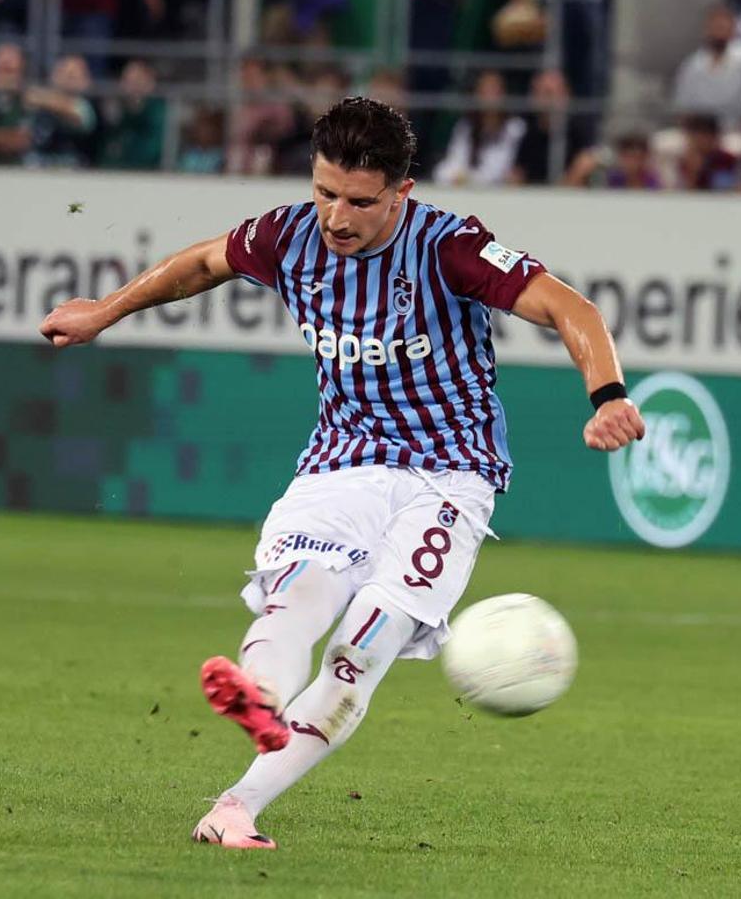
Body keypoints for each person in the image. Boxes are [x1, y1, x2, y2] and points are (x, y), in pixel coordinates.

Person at [39, 97, 645, 850]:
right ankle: (260, 694)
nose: (337, 216)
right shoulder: (288, 235)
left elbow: (571, 308)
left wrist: (608, 395)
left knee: (360, 650)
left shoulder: (449, 247)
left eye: (360, 201)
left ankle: (235, 808)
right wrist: (104, 311)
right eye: (326, 192)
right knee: (300, 592)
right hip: (341, 461)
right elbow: (200, 264)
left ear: (402, 192)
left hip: (448, 477)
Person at [433, 70, 526, 186]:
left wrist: (468, 178)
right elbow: (452, 163)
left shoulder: (515, 127)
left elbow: (499, 171)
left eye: (494, 90)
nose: (490, 97)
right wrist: (455, 175)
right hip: (469, 187)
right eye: (484, 91)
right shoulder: (466, 126)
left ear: (504, 94)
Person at [672, 4, 741, 130]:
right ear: (707, 29)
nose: (720, 32)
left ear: (733, 29)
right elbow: (682, 108)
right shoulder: (692, 65)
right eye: (716, 27)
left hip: (735, 128)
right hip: (700, 131)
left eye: (724, 27)